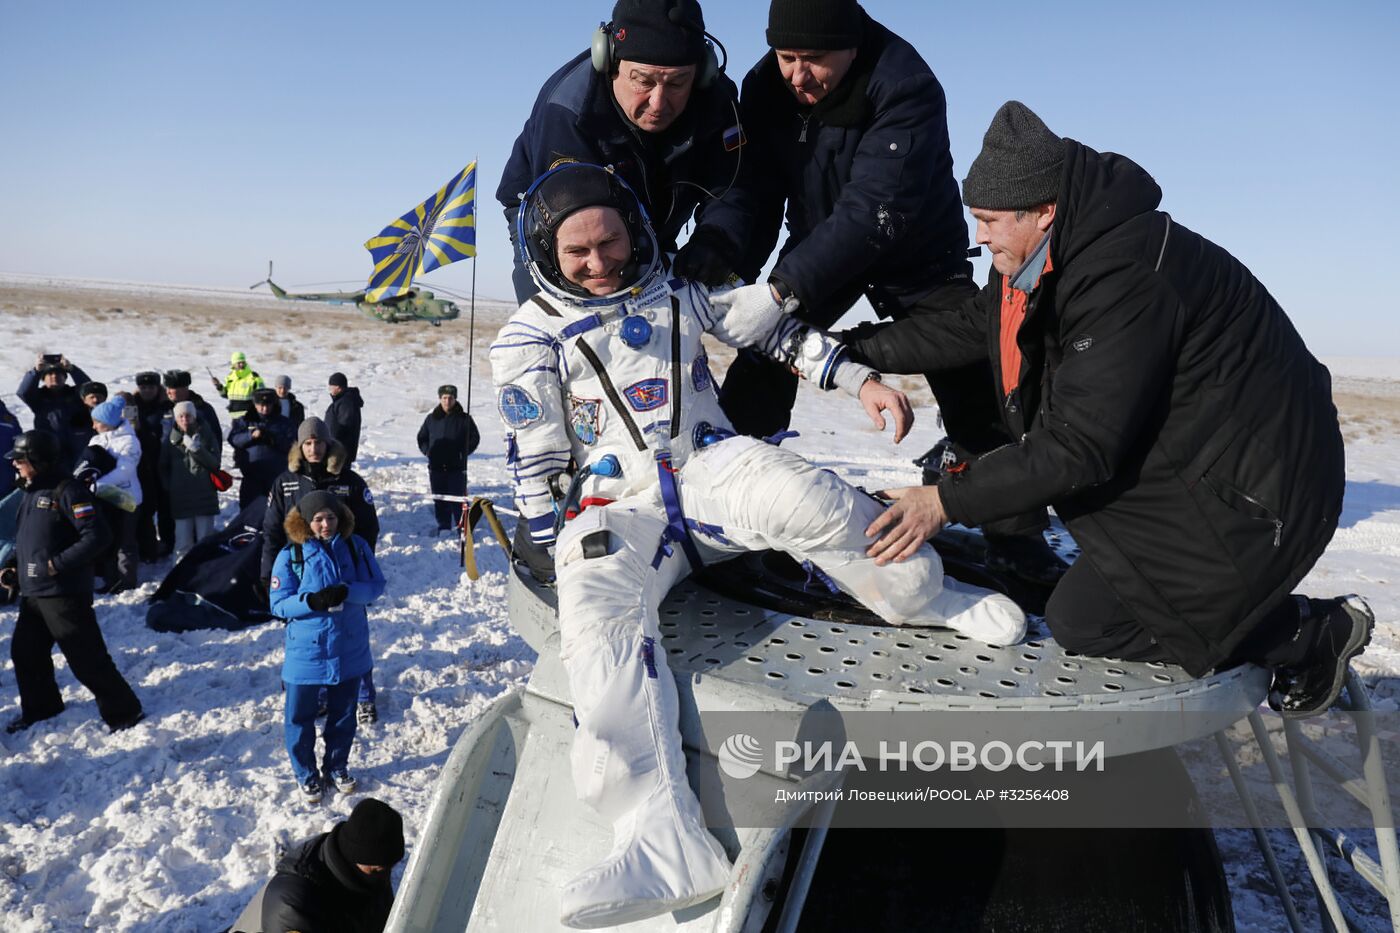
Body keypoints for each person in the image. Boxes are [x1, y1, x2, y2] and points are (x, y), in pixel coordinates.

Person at [490, 162, 1024, 927]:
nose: (600, 261)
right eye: (578, 253)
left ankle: (925, 596)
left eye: (609, 240)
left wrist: (859, 380)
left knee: (809, 493)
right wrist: (548, 543)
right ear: (545, 255)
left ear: (633, 230)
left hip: (709, 468)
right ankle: (660, 834)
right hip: (621, 504)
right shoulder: (527, 337)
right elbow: (535, 454)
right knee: (596, 611)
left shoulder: (676, 291)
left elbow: (775, 332)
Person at [847, 100, 1370, 718]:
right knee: (1087, 584)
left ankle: (1307, 634)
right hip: (1196, 458)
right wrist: (847, 350)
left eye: (988, 220)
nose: (979, 236)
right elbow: (971, 326)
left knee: (1083, 622)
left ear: (1043, 211)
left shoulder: (1122, 275)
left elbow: (1081, 444)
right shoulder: (1054, 254)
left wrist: (944, 500)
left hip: (1259, 488)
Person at [671, 0, 1065, 585]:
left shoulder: (907, 85)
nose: (798, 76)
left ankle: (1016, 537)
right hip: (819, 246)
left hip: (913, 251)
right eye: (786, 57)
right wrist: (719, 253)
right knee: (763, 363)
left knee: (973, 373)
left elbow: (875, 211)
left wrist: (780, 290)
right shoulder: (763, 87)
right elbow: (750, 190)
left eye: (814, 60)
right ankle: (731, 509)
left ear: (851, 47)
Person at [496, 0, 742, 302]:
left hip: (651, 220)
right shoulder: (568, 111)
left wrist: (717, 235)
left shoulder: (717, 100)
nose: (658, 103)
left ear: (702, 72)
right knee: (569, 319)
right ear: (609, 61)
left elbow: (734, 183)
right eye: (643, 81)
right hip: (552, 222)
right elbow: (580, 235)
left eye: (678, 83)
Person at [4, 430, 144, 734]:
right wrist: (15, 568)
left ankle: (124, 711)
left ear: (38, 460)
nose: (15, 464)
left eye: (20, 459)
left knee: (86, 658)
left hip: (63, 593)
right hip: (34, 593)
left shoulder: (68, 491)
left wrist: (56, 565)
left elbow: (98, 536)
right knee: (26, 653)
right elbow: (33, 540)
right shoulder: (31, 491)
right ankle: (42, 707)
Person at [269, 490, 386, 802]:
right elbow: (278, 604)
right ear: (306, 522)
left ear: (340, 517)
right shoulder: (291, 555)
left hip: (349, 647)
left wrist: (348, 591)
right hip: (307, 652)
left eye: (330, 517)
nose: (325, 524)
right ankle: (305, 773)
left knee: (344, 714)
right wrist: (312, 601)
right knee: (299, 717)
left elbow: (376, 586)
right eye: (318, 519)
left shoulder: (355, 546)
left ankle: (336, 765)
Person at [263, 417, 381, 724]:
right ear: (300, 447)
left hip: (345, 574)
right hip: (303, 573)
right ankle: (317, 694)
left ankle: (364, 695)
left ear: (329, 444)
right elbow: (273, 530)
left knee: (353, 635)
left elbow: (368, 526)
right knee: (307, 636)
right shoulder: (285, 482)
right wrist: (270, 572)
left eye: (319, 442)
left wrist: (359, 563)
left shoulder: (350, 480)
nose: (314, 448)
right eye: (308, 443)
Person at [258, 797, 404, 933]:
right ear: (353, 857)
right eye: (377, 869)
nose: (385, 875)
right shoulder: (296, 907)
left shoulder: (366, 871)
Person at [85, 398, 145, 593]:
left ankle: (126, 581)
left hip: (126, 499)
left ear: (109, 421)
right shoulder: (97, 439)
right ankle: (111, 579)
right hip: (104, 499)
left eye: (97, 421)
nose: (93, 426)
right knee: (108, 540)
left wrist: (97, 485)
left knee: (125, 541)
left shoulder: (129, 441)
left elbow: (126, 470)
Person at [160, 400, 222, 560]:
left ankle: (207, 573)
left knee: (205, 541)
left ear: (194, 416)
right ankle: (180, 575)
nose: (184, 419)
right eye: (180, 416)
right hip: (180, 497)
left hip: (204, 494)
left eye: (188, 415)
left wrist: (197, 450)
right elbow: (163, 466)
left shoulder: (206, 434)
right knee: (182, 542)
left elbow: (215, 463)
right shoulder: (170, 440)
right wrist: (170, 486)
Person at [415, 384, 480, 534]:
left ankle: (462, 528)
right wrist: (428, 452)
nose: (447, 401)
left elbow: (474, 438)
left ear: (455, 399)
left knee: (458, 500)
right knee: (440, 499)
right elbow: (422, 438)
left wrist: (464, 452)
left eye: (450, 398)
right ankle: (444, 526)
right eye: (444, 398)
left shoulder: (464, 419)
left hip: (456, 468)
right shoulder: (431, 419)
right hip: (436, 467)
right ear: (440, 399)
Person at [17, 353, 93, 472]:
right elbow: (23, 392)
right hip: (51, 450)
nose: (54, 376)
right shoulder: (39, 398)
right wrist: (36, 371)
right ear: (43, 379)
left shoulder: (76, 395)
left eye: (58, 374)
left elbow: (90, 389)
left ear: (64, 377)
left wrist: (72, 370)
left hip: (79, 449)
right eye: (49, 374)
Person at [229, 388, 297, 508]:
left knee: (276, 509)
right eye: (261, 405)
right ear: (255, 405)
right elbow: (234, 439)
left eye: (268, 405)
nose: (265, 409)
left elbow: (293, 445)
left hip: (276, 476)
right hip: (252, 476)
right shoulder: (245, 421)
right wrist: (251, 436)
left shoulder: (284, 423)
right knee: (249, 511)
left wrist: (273, 440)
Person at [132, 371, 173, 561]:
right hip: (139, 463)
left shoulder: (166, 406)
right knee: (145, 506)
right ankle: (145, 544)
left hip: (161, 461)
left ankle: (167, 541)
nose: (147, 391)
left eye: (151, 387)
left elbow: (169, 432)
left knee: (165, 504)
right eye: (143, 387)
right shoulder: (132, 406)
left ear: (158, 388)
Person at [323, 373, 363, 466]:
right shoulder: (342, 401)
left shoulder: (345, 403)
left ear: (338, 387)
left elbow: (343, 427)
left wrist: (331, 444)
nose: (330, 389)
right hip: (338, 450)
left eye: (331, 386)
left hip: (340, 451)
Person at [213, 351, 264, 415]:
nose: (241, 364)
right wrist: (219, 386)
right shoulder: (230, 377)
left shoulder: (254, 377)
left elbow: (262, 396)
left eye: (243, 362)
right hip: (234, 415)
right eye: (239, 363)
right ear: (233, 364)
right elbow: (225, 395)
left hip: (250, 416)